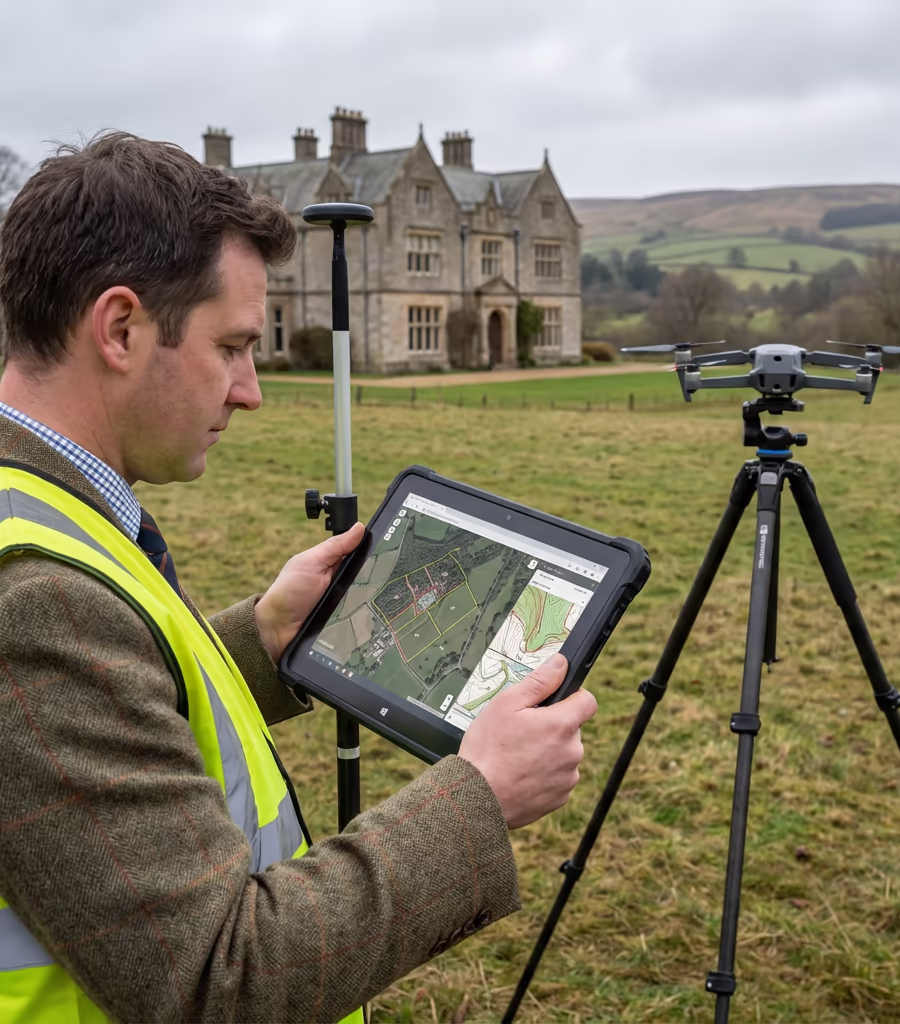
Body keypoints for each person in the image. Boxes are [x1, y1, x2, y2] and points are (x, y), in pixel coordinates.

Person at [0, 133, 598, 1023]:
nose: (252, 390)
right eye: (232, 346)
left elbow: (84, 728)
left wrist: (265, 640)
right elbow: (218, 980)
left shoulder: (35, 505)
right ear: (120, 329)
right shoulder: (36, 604)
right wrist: (477, 799)